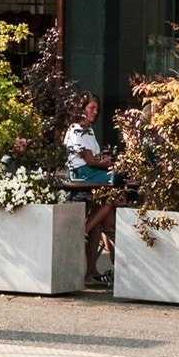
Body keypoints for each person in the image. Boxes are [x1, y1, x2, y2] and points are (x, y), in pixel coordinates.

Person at [65, 93, 118, 284]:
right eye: (91, 108)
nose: (95, 112)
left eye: (97, 108)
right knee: (118, 185)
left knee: (104, 211)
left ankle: (91, 267)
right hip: (83, 173)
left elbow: (95, 157)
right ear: (82, 108)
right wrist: (111, 165)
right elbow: (88, 160)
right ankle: (85, 228)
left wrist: (104, 161)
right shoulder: (76, 130)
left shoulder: (90, 131)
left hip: (93, 171)